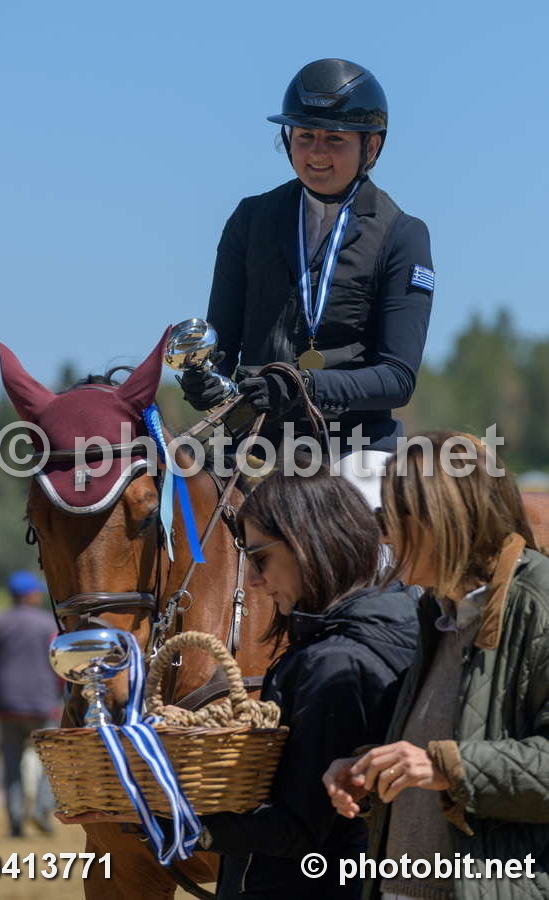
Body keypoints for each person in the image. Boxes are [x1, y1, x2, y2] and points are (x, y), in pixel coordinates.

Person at [181, 58, 434, 509]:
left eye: (335, 139)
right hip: (254, 443)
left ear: (371, 147)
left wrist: (306, 388)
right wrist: (206, 381)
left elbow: (397, 377)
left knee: (371, 541)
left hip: (354, 447)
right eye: (305, 137)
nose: (316, 154)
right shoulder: (250, 221)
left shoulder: (403, 236)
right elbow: (223, 345)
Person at [323, 432, 549, 900]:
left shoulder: (538, 603)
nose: (382, 536)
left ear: (440, 518)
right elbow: (454, 745)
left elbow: (455, 762)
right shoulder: (438, 614)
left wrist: (442, 765)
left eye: (388, 518)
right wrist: (374, 768)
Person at [192, 466, 419, 899]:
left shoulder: (334, 663)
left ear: (309, 544)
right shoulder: (364, 637)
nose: (253, 580)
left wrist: (171, 825)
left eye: (260, 558)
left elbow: (297, 830)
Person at [0, 570, 61, 837]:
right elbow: (59, 663)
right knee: (52, 761)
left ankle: (14, 820)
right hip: (43, 704)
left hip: (6, 705)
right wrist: (61, 696)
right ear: (31, 595)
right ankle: (42, 808)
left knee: (11, 765)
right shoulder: (48, 625)